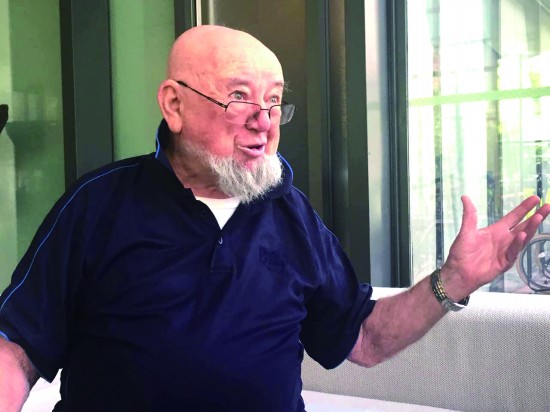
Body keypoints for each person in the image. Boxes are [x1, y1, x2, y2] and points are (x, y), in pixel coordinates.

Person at [0, 24, 548, 412]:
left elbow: (363, 339)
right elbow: (17, 348)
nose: (263, 121)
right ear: (174, 105)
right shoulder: (98, 204)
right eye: (239, 97)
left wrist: (453, 280)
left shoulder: (291, 214)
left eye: (274, 101)